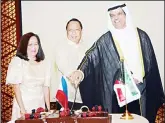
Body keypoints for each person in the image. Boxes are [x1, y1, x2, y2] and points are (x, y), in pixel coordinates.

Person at [69, 3, 165, 123]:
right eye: (112, 15)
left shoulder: (142, 37)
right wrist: (80, 71)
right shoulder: (106, 40)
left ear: (126, 14)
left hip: (140, 92)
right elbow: (90, 57)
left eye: (119, 13)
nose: (116, 18)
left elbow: (150, 64)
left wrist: (137, 77)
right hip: (117, 96)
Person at [6, 32, 51, 122]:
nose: (33, 47)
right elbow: (16, 88)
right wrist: (23, 110)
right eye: (30, 45)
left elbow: (46, 87)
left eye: (36, 44)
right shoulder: (18, 61)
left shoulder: (45, 63)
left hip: (39, 106)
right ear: (24, 46)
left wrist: (48, 110)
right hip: (23, 106)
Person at [54, 18, 88, 110]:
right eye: (70, 30)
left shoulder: (86, 48)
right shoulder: (61, 47)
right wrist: (74, 76)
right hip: (66, 96)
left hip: (83, 97)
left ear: (81, 31)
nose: (73, 33)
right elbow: (63, 66)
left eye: (76, 30)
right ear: (66, 32)